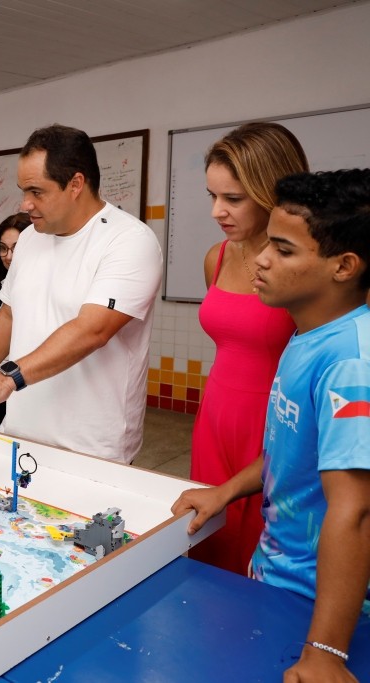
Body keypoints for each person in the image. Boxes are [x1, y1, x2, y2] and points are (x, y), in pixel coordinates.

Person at [173, 169, 370, 683]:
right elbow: (289, 452)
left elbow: (356, 511)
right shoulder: (307, 334)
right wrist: (225, 491)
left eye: (282, 250)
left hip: (323, 607)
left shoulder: (352, 363)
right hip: (277, 574)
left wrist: (326, 651)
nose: (261, 259)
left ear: (344, 266)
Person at [0, 125, 162, 464]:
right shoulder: (30, 239)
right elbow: (8, 315)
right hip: (19, 432)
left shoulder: (128, 241)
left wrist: (6, 380)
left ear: (75, 184)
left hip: (91, 447)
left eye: (36, 192)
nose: (25, 204)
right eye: (23, 191)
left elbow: (92, 330)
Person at [190, 122, 309, 575]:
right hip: (215, 417)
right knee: (208, 544)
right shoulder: (216, 257)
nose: (217, 211)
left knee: (264, 554)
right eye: (212, 196)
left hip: (276, 422)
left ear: (271, 194)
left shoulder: (305, 267)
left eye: (233, 198)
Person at [0, 213, 33, 431]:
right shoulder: (0, 284)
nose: (9, 256)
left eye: (16, 248)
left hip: (27, 380)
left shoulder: (42, 288)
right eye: (3, 248)